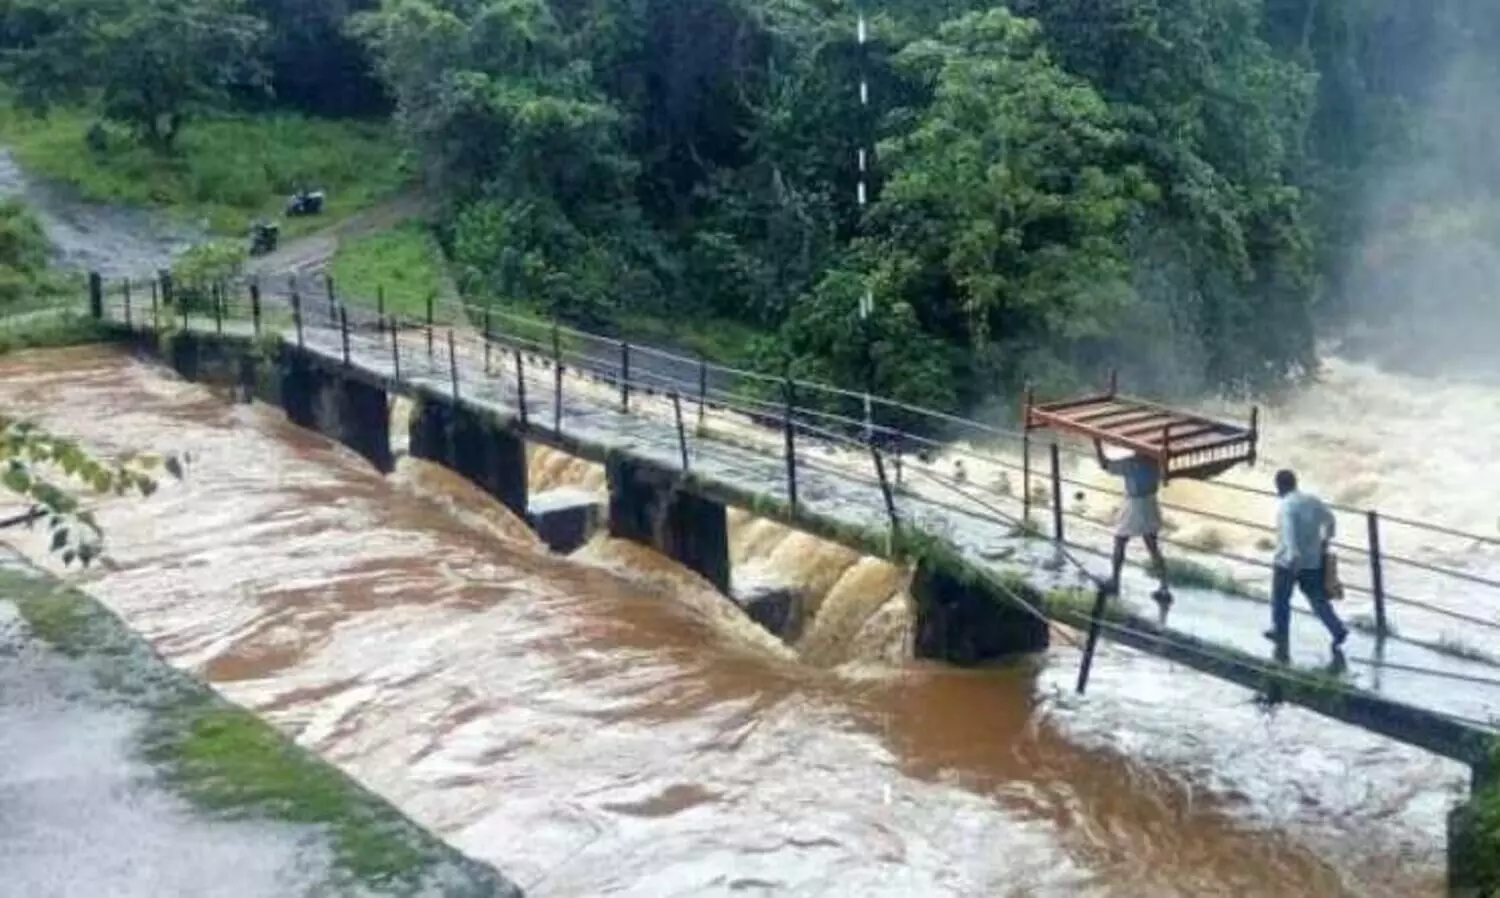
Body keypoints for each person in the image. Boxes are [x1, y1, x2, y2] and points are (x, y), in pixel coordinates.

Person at [1266, 469, 1348, 662]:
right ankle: (1337, 629)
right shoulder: (1313, 501)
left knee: (1281, 599)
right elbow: (1331, 519)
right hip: (1312, 560)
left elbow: (1287, 533)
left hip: (1288, 561)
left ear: (1279, 486)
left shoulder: (1286, 506)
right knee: (1317, 598)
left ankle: (1280, 634)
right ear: (1295, 482)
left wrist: (1293, 554)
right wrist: (1326, 540)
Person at [1094, 440, 1172, 610]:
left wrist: (1097, 445)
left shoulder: (1131, 463)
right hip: (1151, 503)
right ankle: (1164, 586)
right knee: (1152, 546)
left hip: (1135, 504)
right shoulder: (1156, 462)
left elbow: (1105, 465)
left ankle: (1115, 581)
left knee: (1120, 542)